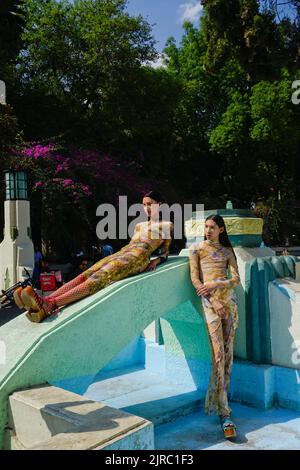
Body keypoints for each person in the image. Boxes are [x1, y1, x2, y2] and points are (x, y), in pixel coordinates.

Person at [14, 191, 173, 323]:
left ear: (160, 205)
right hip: (124, 252)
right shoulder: (140, 225)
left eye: (150, 204)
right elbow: (132, 244)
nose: (147, 208)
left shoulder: (167, 226)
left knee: (100, 278)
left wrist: (156, 261)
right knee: (87, 274)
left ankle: (51, 303)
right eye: (144, 204)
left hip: (138, 258)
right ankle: (43, 301)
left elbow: (164, 251)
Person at [189, 214, 240, 440]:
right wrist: (213, 297)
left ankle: (224, 409)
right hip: (211, 304)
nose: (208, 230)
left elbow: (236, 279)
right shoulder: (196, 249)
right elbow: (195, 280)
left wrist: (217, 283)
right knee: (218, 355)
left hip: (229, 302)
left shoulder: (228, 252)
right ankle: (224, 411)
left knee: (229, 355)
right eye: (206, 227)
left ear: (221, 229)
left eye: (212, 227)